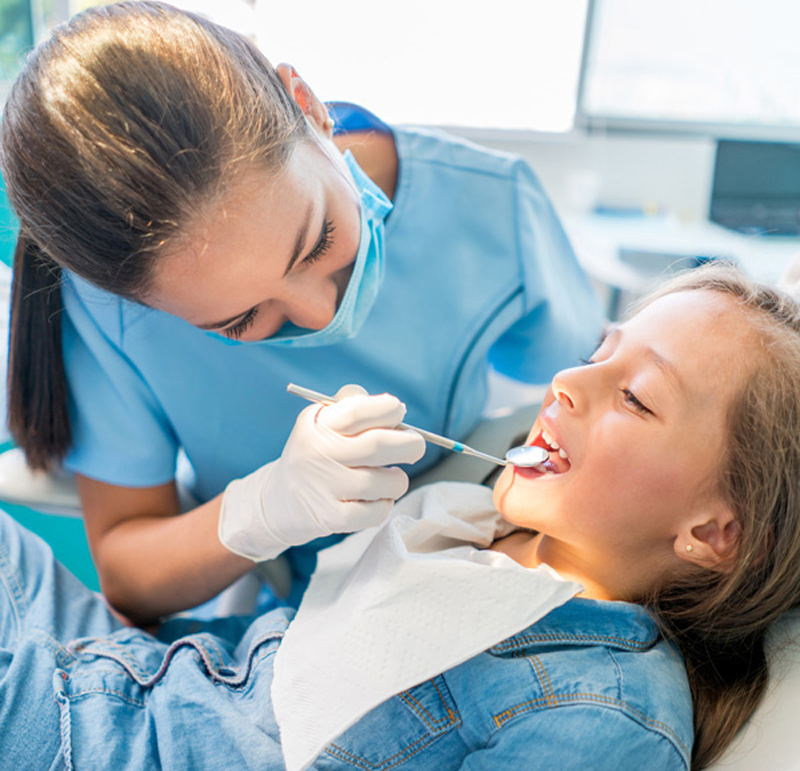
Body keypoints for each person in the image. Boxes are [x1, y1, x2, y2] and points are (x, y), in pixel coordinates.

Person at [3, 263, 800, 770]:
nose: (565, 381)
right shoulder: (469, 531)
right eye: (598, 353)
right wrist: (271, 504)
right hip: (121, 670)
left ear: (714, 533)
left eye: (635, 396)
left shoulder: (605, 716)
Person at [0, 0, 603, 623]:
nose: (320, 315)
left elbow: (590, 399)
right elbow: (129, 575)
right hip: (298, 616)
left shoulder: (492, 201)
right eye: (239, 321)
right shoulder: (107, 314)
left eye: (319, 242)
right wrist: (264, 510)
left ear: (306, 104)